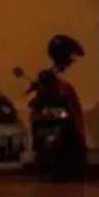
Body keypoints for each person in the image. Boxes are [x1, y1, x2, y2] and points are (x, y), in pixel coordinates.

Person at [28, 33, 90, 181]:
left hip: (63, 119)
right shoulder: (52, 77)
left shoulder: (60, 77)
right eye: (71, 55)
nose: (73, 60)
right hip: (57, 119)